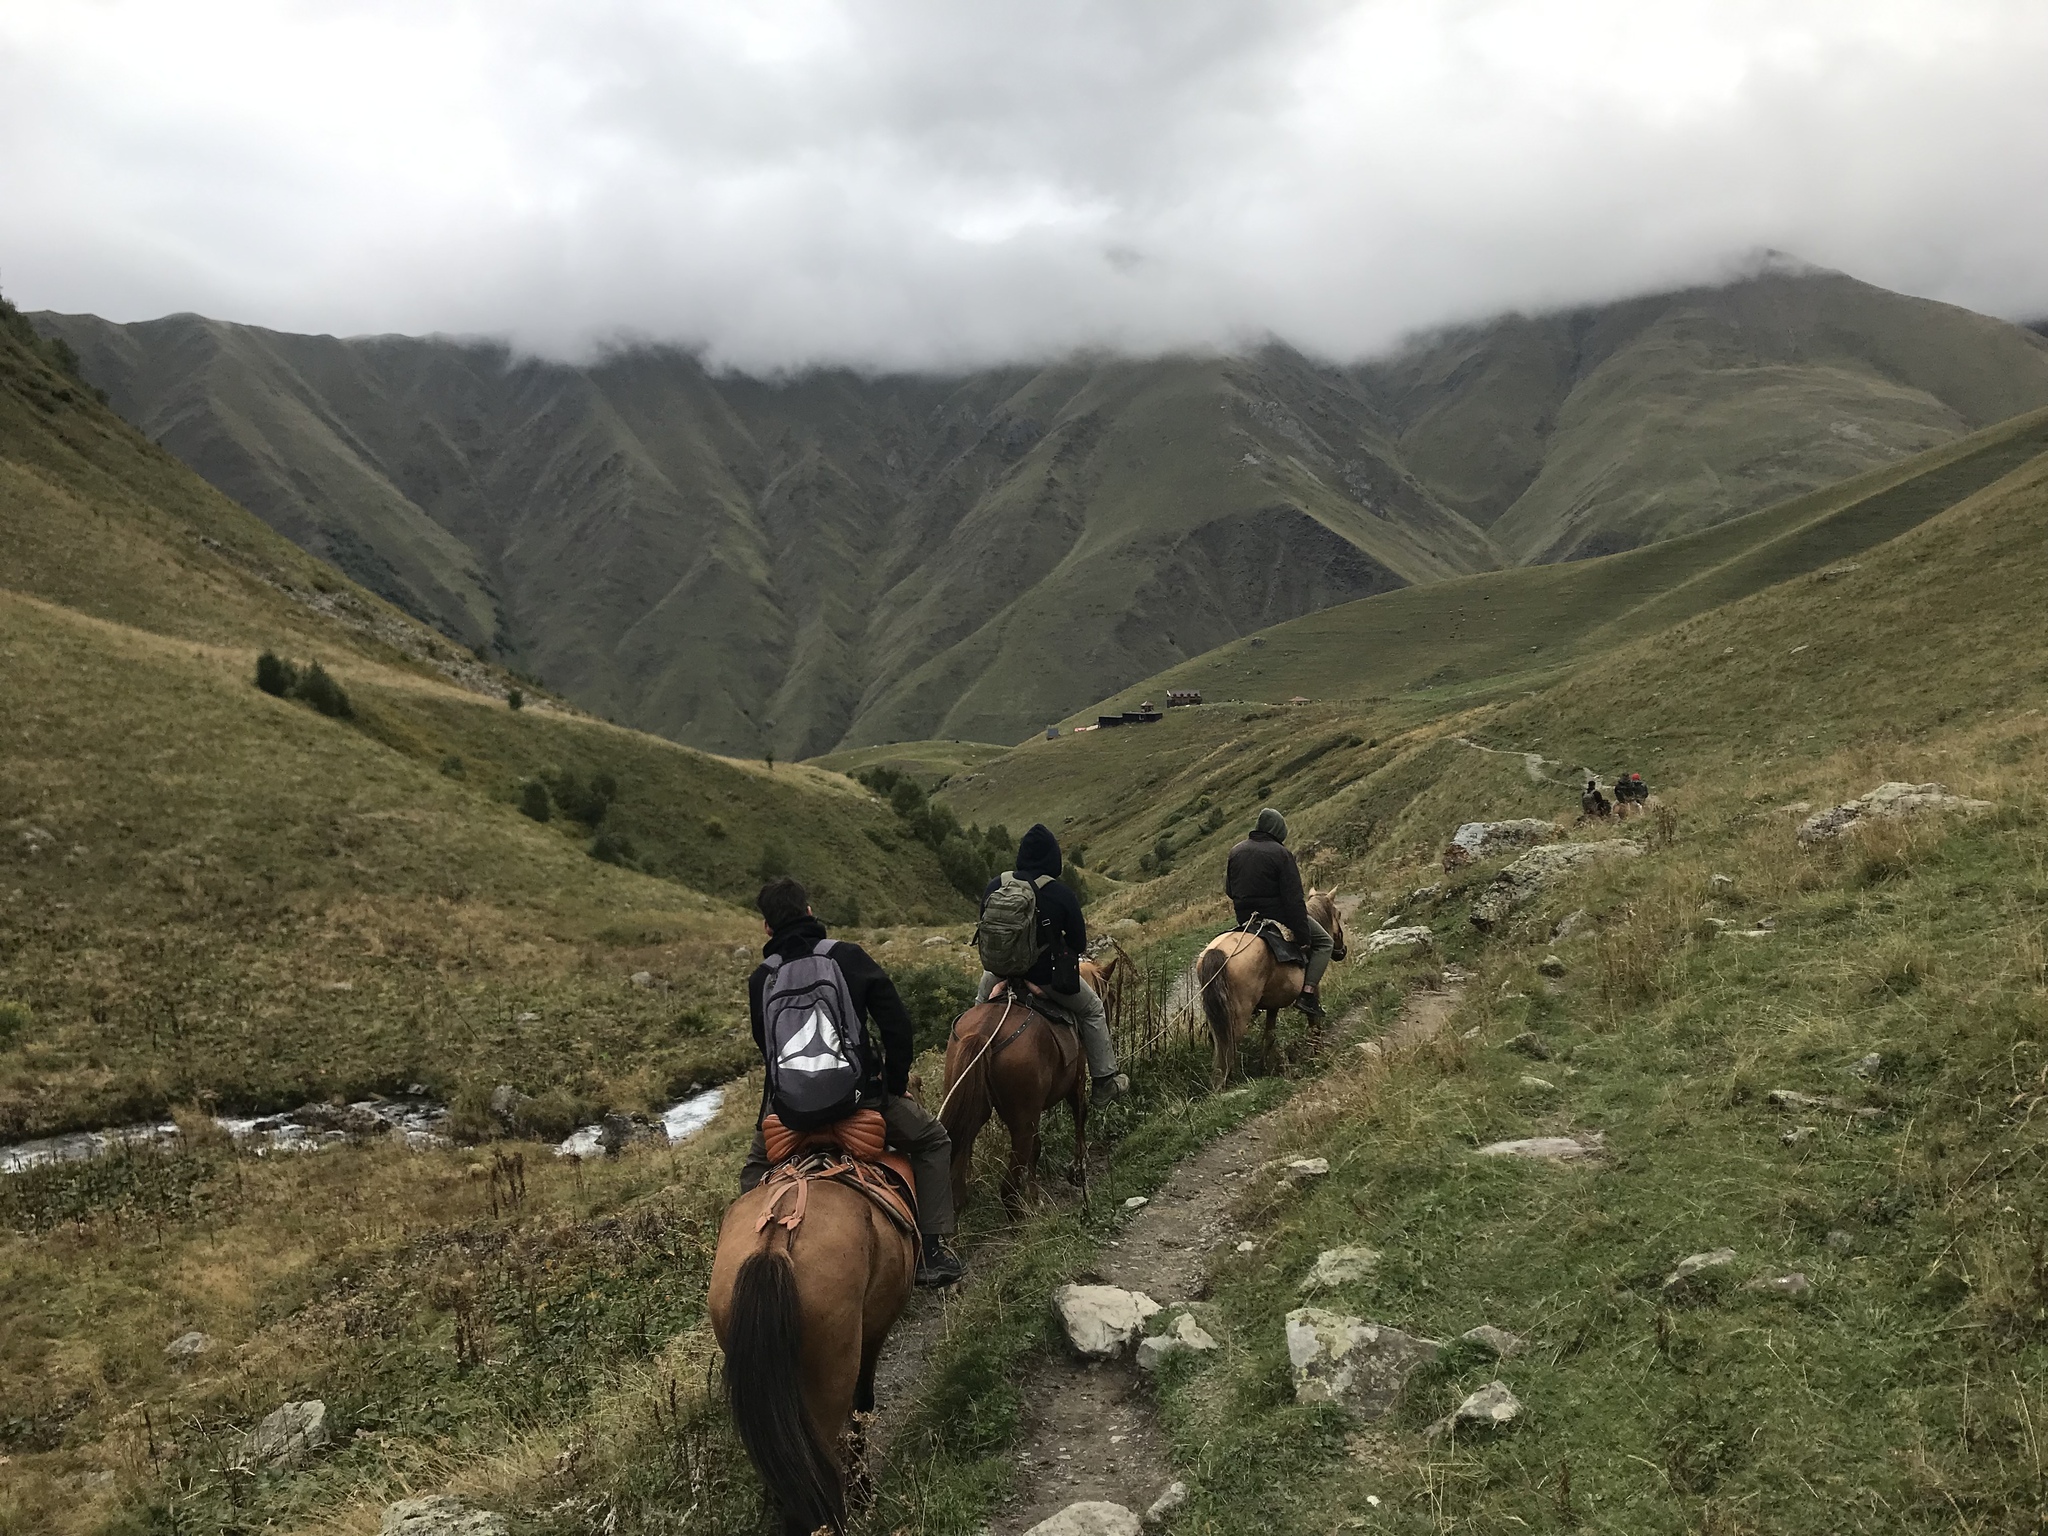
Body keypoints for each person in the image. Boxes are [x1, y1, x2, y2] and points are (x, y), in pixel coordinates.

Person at [739, 877, 965, 1287]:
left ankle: (748, 1252)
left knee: (754, 1170)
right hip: (859, 1104)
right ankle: (930, 1253)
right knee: (934, 1141)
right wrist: (893, 1083)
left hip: (790, 1116)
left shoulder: (762, 979)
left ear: (767, 927)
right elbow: (896, 1025)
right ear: (809, 911)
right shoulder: (846, 956)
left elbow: (768, 1050)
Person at [974, 824, 1130, 1104]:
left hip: (997, 974)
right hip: (1046, 978)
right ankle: (1104, 1082)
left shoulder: (996, 885)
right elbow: (1078, 943)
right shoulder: (1060, 893)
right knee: (1093, 1010)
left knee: (976, 1016)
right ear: (1052, 858)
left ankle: (968, 1072)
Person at [1224, 808, 1331, 1025]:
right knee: (1325, 943)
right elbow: (1294, 900)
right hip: (1276, 917)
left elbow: (1229, 889)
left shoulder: (1236, 851)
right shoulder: (1281, 854)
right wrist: (1303, 936)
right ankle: (1308, 995)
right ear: (1278, 830)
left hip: (1245, 919)